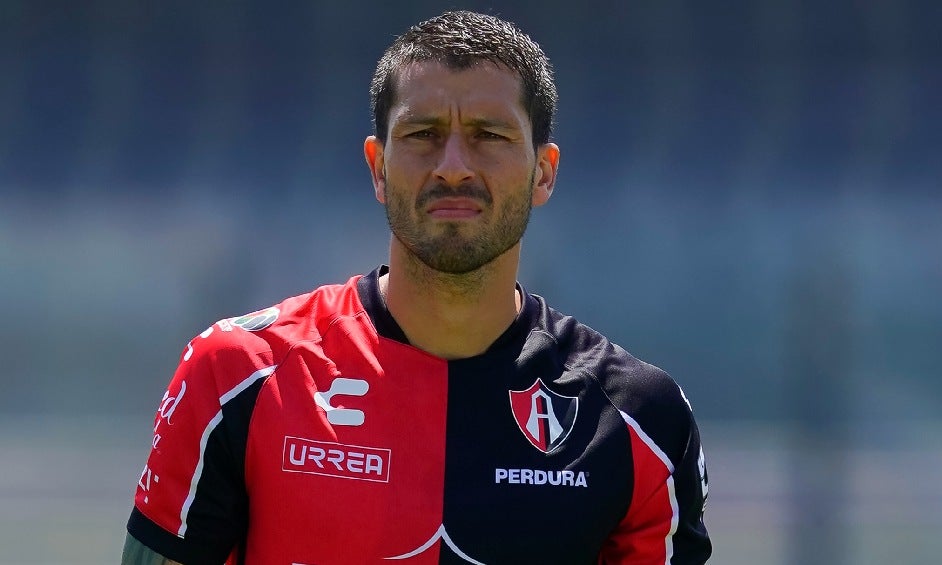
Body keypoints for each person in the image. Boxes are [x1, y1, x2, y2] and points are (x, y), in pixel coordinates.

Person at [122, 10, 711, 565]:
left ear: (544, 172)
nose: (453, 166)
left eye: (489, 135)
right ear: (378, 168)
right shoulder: (235, 375)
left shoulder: (641, 421)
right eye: (423, 133)